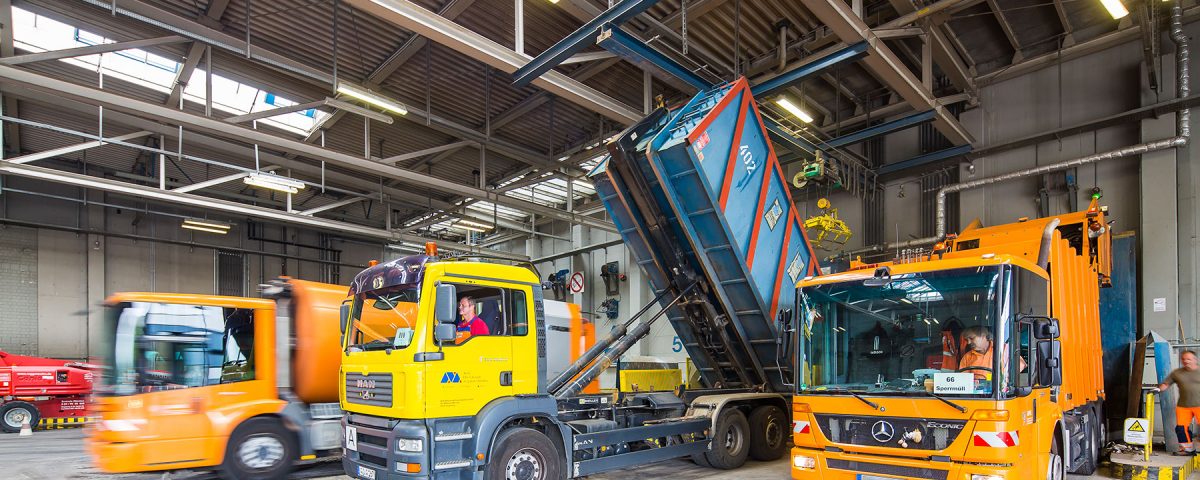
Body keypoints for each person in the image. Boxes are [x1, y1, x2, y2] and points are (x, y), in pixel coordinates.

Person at [1158, 350, 1200, 455]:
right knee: (1181, 429)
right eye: (1184, 359)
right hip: (1183, 406)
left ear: (1195, 360)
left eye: (1188, 359)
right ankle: (1188, 449)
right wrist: (1158, 389)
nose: (1186, 361)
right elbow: (1166, 383)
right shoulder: (1177, 373)